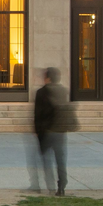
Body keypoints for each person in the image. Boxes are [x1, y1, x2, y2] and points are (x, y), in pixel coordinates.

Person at [28, 67, 77, 195]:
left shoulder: (42, 92)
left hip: (47, 131)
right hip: (60, 131)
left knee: (45, 159)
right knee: (60, 160)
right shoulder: (63, 91)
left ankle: (49, 186)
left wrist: (37, 130)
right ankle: (62, 186)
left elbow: (38, 114)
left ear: (48, 78)